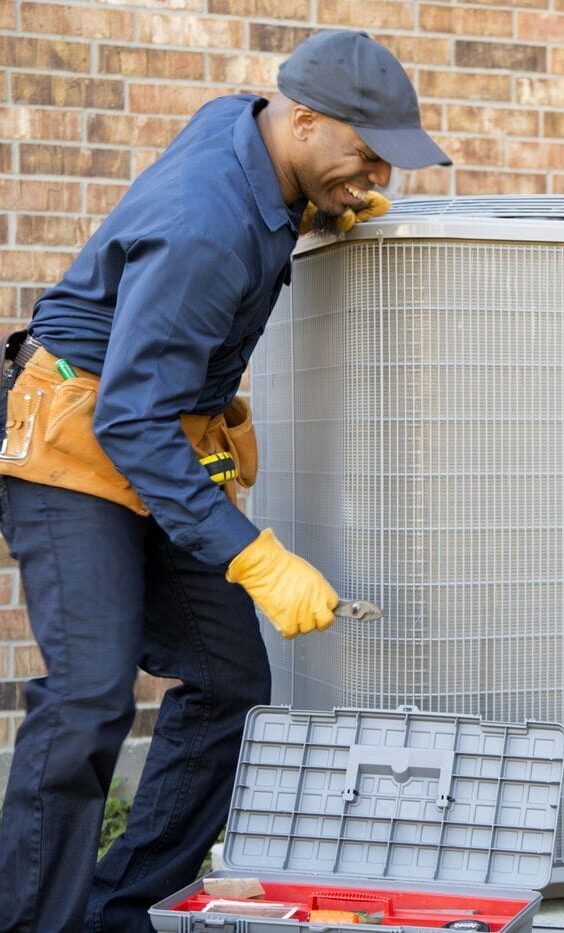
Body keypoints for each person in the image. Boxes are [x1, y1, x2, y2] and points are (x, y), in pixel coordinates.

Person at [0, 30, 450, 932]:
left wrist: (321, 205)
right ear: (308, 120)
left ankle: (117, 912)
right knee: (90, 693)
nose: (371, 176)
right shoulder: (209, 222)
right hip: (78, 446)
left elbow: (246, 162)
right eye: (363, 156)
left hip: (155, 436)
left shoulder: (248, 132)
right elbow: (129, 416)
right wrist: (252, 554)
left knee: (227, 679)